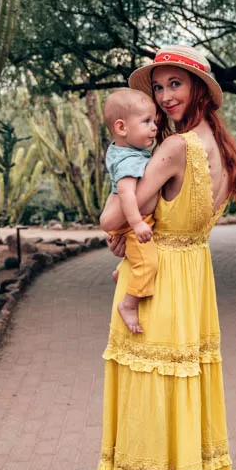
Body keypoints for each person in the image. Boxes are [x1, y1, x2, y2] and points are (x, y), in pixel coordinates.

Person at [97, 44, 236, 470]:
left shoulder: (174, 148)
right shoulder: (221, 149)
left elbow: (114, 216)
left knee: (151, 417)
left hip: (160, 290)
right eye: (158, 88)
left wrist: (119, 206)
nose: (164, 97)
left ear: (199, 90)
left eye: (174, 86)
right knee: (189, 412)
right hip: (194, 283)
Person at [102, 88, 160, 335]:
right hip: (134, 221)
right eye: (146, 121)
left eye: (154, 121)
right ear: (122, 128)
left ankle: (122, 273)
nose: (154, 127)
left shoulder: (124, 149)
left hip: (130, 221)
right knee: (148, 264)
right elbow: (126, 194)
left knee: (136, 257)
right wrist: (136, 223)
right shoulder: (128, 161)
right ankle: (128, 304)